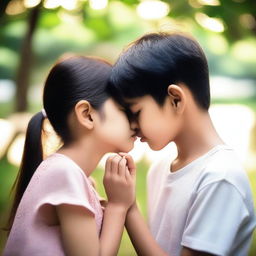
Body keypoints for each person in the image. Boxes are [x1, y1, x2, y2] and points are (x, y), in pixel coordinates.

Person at [107, 32, 256, 256]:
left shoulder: (220, 178)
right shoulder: (159, 169)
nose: (132, 125)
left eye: (136, 112)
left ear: (175, 99)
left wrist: (128, 208)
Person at [3, 55, 137, 256]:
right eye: (124, 110)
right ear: (87, 114)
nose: (136, 120)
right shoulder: (64, 174)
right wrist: (118, 206)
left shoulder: (73, 175)